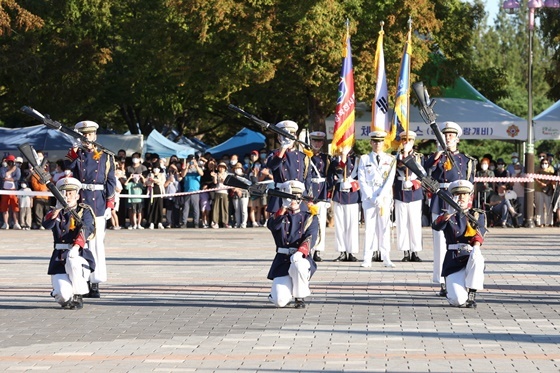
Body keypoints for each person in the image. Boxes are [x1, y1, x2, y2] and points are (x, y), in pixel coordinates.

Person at [65, 120, 117, 298]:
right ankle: (81, 281)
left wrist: (110, 204)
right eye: (83, 134)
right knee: (80, 242)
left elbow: (111, 181)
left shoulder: (106, 155)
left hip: (98, 203)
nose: (87, 137)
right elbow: (68, 168)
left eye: (89, 134)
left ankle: (95, 282)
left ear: (95, 135)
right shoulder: (77, 154)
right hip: (80, 202)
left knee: (96, 245)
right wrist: (73, 150)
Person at [424, 121, 476, 297]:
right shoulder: (435, 158)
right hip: (441, 200)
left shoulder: (466, 160)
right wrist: (438, 155)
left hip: (459, 200)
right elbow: (425, 172)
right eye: (445, 135)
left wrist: (468, 204)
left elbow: (471, 184)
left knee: (460, 240)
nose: (448, 138)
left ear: (457, 139)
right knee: (439, 244)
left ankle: (461, 277)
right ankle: (442, 281)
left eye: (451, 135)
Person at [43, 177, 96, 310]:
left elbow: (87, 228)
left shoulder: (84, 210)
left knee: (73, 260)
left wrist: (76, 246)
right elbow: (47, 224)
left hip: (78, 254)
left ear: (77, 195)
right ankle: (62, 292)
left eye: (71, 193)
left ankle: (78, 294)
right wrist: (57, 209)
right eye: (64, 193)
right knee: (63, 296)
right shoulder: (56, 211)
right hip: (59, 257)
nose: (67, 196)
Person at [432, 180, 486, 308]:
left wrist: (476, 247)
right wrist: (449, 213)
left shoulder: (477, 214)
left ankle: (472, 293)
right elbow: (436, 226)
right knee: (458, 300)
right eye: (458, 194)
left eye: (464, 194)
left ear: (470, 196)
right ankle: (453, 291)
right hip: (454, 259)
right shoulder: (447, 215)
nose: (461, 197)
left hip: (469, 257)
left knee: (477, 258)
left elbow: (479, 233)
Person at [267, 180, 318, 309]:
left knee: (299, 264)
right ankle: (283, 291)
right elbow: (273, 226)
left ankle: (299, 296)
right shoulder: (279, 216)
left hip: (300, 259)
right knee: (280, 301)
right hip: (283, 261)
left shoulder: (309, 217)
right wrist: (283, 207)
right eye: (290, 197)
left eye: (296, 197)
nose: (293, 201)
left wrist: (300, 252)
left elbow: (310, 238)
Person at [358, 130, 397, 268]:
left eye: (380, 141)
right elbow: (361, 180)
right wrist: (371, 196)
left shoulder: (390, 159)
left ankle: (386, 257)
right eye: (374, 141)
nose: (377, 144)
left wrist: (380, 196)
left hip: (384, 198)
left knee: (384, 228)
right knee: (369, 228)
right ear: (370, 142)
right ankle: (367, 258)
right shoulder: (364, 159)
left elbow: (390, 179)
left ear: (384, 143)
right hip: (369, 198)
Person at [265, 120, 311, 214]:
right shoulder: (274, 154)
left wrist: (306, 197)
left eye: (291, 134)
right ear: (279, 137)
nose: (288, 138)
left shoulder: (303, 156)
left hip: (298, 194)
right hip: (281, 193)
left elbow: (307, 179)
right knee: (279, 225)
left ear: (295, 137)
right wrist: (283, 148)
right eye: (284, 135)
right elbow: (273, 166)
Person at [393, 131, 424, 262]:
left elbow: (423, 173)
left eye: (409, 140)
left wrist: (414, 182)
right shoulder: (395, 156)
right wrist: (403, 155)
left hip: (414, 191)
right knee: (402, 222)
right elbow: (394, 170)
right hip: (401, 191)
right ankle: (405, 251)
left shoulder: (419, 156)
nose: (406, 143)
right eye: (404, 140)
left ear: (413, 142)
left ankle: (415, 251)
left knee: (415, 223)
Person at [327, 149, 360, 262]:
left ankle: (351, 252)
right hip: (339, 195)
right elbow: (330, 177)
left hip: (352, 195)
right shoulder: (334, 160)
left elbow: (362, 178)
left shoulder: (357, 160)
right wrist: (336, 183)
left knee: (352, 226)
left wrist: (353, 184)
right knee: (340, 225)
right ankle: (342, 251)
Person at [307, 131, 330, 262]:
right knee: (307, 222)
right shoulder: (305, 156)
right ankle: (308, 247)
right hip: (309, 192)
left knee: (321, 222)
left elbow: (329, 177)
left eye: (319, 141)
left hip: (321, 192)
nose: (317, 143)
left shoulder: (326, 158)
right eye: (315, 141)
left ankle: (318, 250)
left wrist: (328, 195)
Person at [179, 155, 204, 228]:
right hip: (187, 191)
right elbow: (182, 175)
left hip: (195, 191)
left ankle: (196, 222)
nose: (191, 162)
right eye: (190, 160)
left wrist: (196, 166)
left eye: (193, 160)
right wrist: (187, 167)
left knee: (196, 208)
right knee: (185, 208)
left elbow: (202, 174)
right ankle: (184, 222)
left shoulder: (198, 169)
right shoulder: (186, 170)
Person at [0, 154, 22, 229]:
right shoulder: (3, 169)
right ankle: (5, 223)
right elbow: (2, 176)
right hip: (5, 191)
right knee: (4, 207)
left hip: (13, 191)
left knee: (15, 207)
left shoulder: (17, 169)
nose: (10, 163)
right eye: (9, 161)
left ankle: (16, 223)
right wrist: (11, 171)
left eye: (11, 162)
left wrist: (7, 178)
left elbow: (17, 178)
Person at [30, 152, 50, 230]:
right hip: (38, 196)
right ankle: (40, 224)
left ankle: (48, 224)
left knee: (48, 211)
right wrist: (42, 187)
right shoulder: (34, 175)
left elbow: (50, 183)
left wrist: (46, 189)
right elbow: (35, 186)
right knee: (38, 212)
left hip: (47, 196)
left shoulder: (46, 173)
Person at [534, 157, 555, 227]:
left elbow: (552, 177)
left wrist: (546, 184)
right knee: (539, 206)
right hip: (538, 189)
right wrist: (540, 183)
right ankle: (540, 222)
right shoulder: (537, 168)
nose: (544, 164)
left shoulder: (551, 168)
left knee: (549, 206)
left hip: (548, 190)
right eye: (542, 163)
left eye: (546, 163)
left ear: (548, 163)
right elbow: (534, 177)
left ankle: (550, 222)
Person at [211, 162, 231, 228]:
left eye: (223, 167)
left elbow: (227, 183)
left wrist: (222, 178)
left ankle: (225, 222)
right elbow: (215, 182)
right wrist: (214, 177)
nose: (221, 168)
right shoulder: (216, 174)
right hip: (217, 192)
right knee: (216, 207)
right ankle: (215, 222)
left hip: (225, 192)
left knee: (224, 208)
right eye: (220, 167)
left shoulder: (227, 174)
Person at [231, 162, 249, 228]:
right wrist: (237, 190)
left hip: (244, 194)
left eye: (239, 168)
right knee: (237, 209)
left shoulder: (245, 176)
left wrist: (240, 189)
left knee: (244, 209)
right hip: (235, 194)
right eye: (236, 168)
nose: (237, 169)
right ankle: (237, 222)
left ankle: (244, 223)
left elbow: (247, 184)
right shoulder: (233, 177)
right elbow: (230, 185)